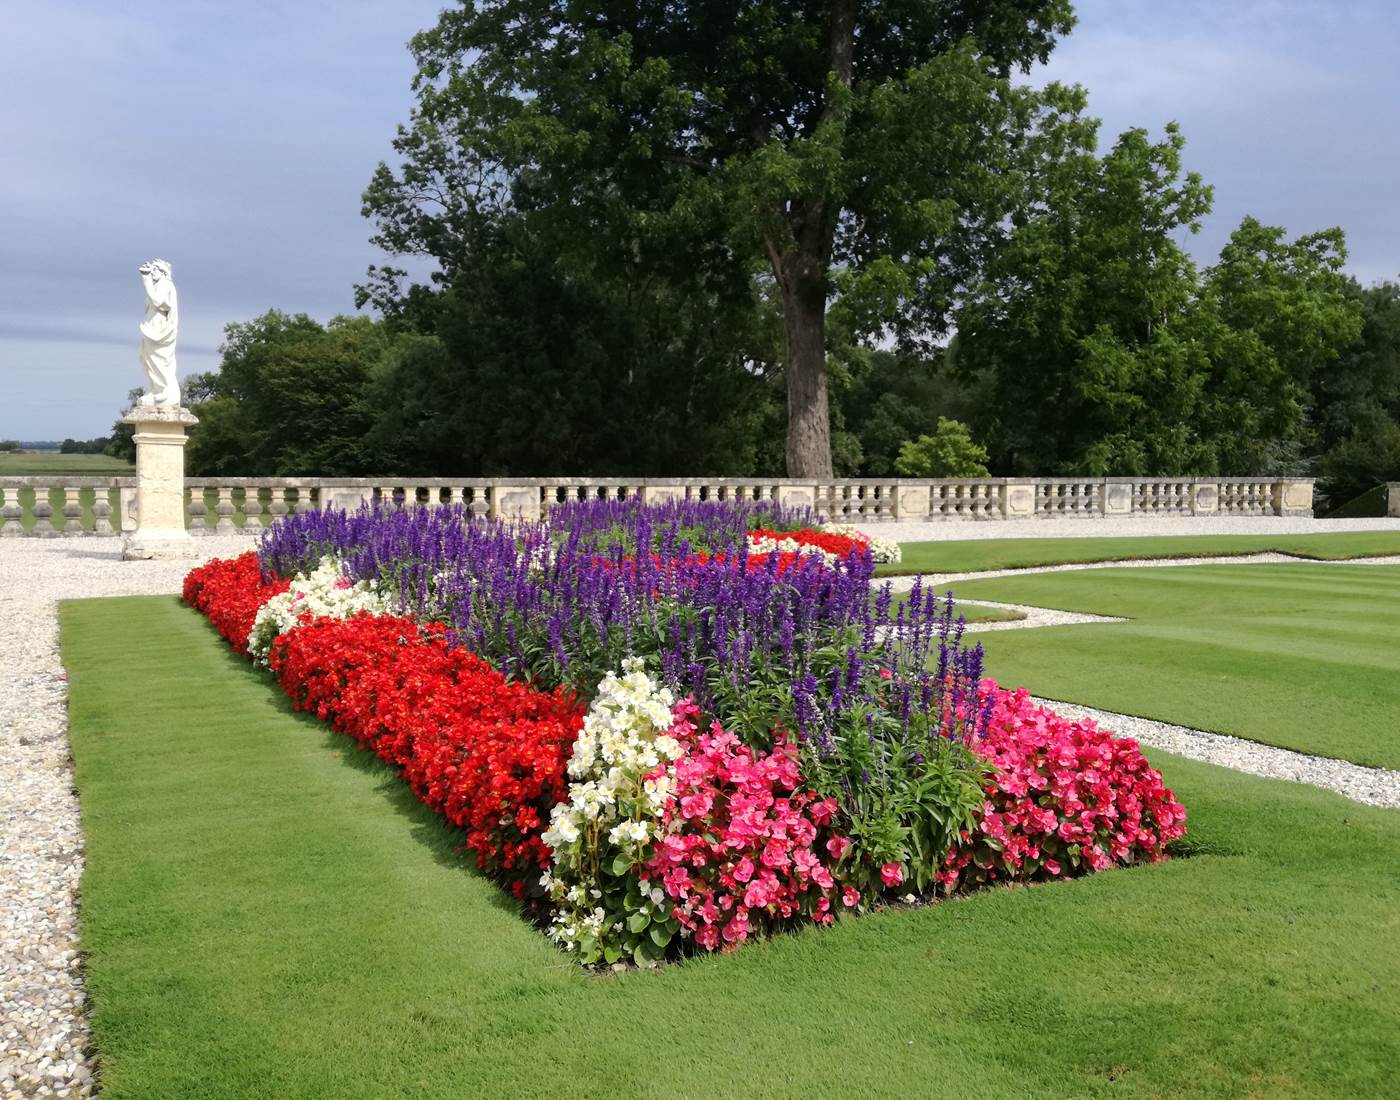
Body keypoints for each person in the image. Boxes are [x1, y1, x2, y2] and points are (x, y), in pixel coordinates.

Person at [138, 259, 180, 405]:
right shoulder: (157, 286)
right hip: (151, 325)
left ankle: (163, 391)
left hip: (159, 327)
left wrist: (146, 281)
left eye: (155, 269)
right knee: (146, 357)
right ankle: (154, 389)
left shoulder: (166, 284)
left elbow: (157, 302)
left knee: (159, 358)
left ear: (163, 272)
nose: (152, 272)